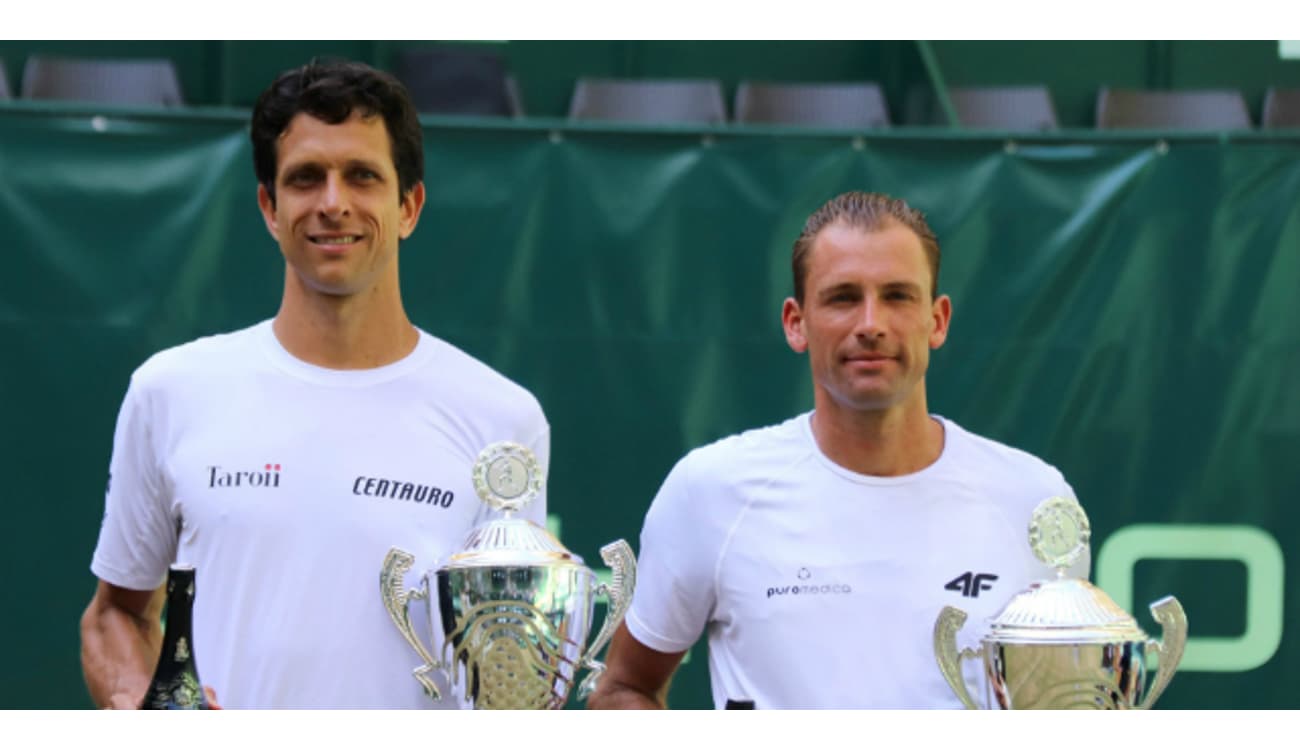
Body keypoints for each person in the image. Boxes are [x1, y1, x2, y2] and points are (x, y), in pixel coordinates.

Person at [79, 60, 549, 709]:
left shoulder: (503, 420)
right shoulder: (170, 391)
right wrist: (148, 707)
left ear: (408, 205)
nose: (333, 203)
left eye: (362, 175)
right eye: (305, 178)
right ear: (270, 208)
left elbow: (503, 669)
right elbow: (115, 615)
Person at [587, 191, 1089, 710]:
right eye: (843, 297)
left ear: (937, 320)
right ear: (795, 322)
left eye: (897, 296)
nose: (871, 323)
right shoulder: (711, 491)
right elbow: (625, 689)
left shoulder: (1035, 502)